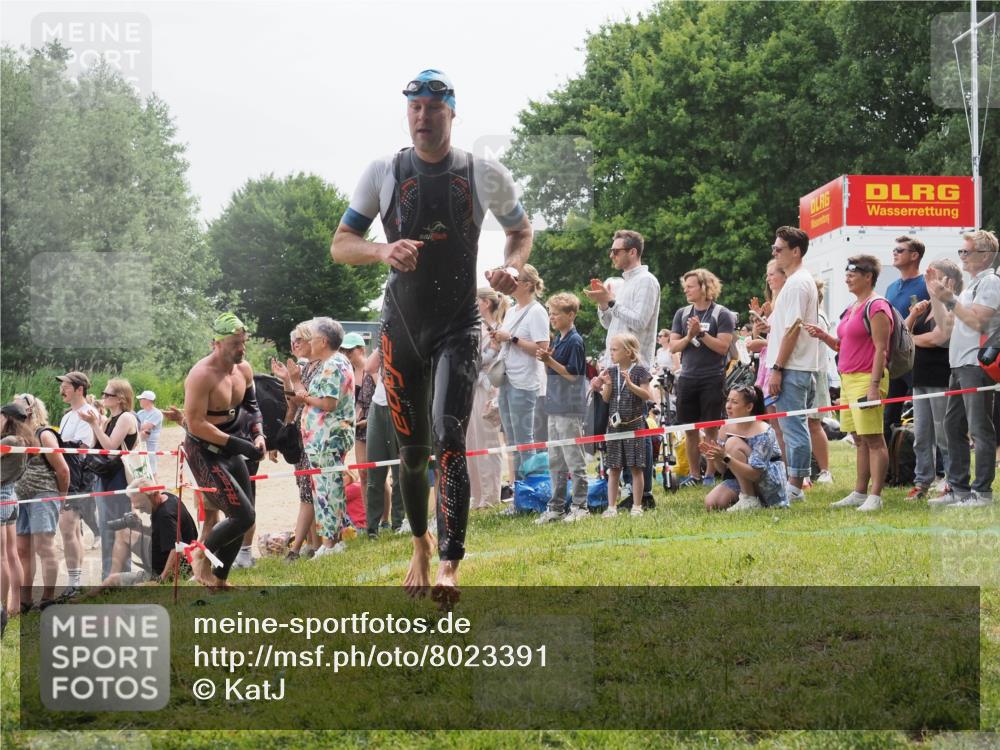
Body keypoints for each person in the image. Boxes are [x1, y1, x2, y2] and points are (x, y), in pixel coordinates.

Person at [331, 68, 533, 602]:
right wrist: (381, 250)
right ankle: (419, 541)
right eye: (415, 108)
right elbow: (341, 242)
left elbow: (521, 229)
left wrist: (510, 268)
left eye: (433, 108)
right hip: (401, 326)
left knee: (449, 437)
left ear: (452, 113)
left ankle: (450, 563)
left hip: (458, 325)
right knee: (413, 451)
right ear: (408, 114)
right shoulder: (383, 170)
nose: (423, 117)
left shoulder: (483, 172)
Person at [183, 313, 266, 589]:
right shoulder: (201, 375)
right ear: (216, 343)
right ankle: (200, 556)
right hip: (204, 450)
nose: (241, 349)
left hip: (230, 447)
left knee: (244, 516)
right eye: (234, 344)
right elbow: (195, 422)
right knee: (242, 515)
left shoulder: (244, 370)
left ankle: (219, 580)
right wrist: (238, 444)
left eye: (243, 343)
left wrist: (258, 436)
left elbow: (252, 408)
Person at [805, 255, 892, 512]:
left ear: (869, 276)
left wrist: (874, 385)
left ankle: (875, 496)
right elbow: (844, 346)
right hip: (848, 378)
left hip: (867, 378)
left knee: (874, 439)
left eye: (853, 273)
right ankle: (859, 491)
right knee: (859, 439)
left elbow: (880, 349)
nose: (847, 277)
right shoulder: (853, 307)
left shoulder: (877, 306)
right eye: (846, 273)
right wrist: (824, 336)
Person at [585, 230, 661, 510]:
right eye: (611, 251)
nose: (612, 255)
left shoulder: (647, 281)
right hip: (615, 362)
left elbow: (639, 322)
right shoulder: (621, 282)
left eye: (616, 250)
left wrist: (613, 302)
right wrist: (604, 303)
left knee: (636, 426)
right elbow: (611, 324)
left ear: (632, 252)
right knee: (615, 425)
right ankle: (628, 487)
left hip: (636, 364)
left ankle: (646, 491)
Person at [926, 229, 1000, 507]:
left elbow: (978, 322)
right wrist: (936, 294)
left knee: (979, 428)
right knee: (952, 425)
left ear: (986, 255)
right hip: (958, 364)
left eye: (966, 252)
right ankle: (959, 489)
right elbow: (946, 328)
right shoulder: (971, 286)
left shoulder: (990, 282)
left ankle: (982, 492)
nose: (962, 258)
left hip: (974, 364)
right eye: (961, 252)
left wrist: (950, 299)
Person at [288, 317, 354, 556]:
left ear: (323, 342)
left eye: (312, 338)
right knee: (323, 490)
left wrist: (305, 397)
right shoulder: (334, 362)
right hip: (320, 440)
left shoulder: (333, 364)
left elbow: (328, 403)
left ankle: (330, 544)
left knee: (329, 490)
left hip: (328, 438)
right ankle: (331, 540)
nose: (309, 343)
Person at [766, 227, 820, 503]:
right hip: (791, 365)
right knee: (789, 426)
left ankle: (796, 486)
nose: (774, 253)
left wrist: (777, 367)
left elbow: (793, 329)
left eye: (779, 249)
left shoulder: (798, 283)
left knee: (793, 426)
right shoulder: (794, 282)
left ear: (795, 251)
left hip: (793, 367)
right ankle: (794, 481)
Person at [669, 268, 735, 487]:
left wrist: (701, 334)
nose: (686, 290)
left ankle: (710, 475)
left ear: (705, 287)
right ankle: (695, 475)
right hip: (687, 378)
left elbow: (723, 347)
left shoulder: (722, 314)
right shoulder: (681, 314)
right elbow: (674, 346)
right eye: (685, 287)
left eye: (691, 286)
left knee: (710, 429)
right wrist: (689, 335)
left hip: (712, 377)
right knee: (690, 430)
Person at [490, 264, 549, 487]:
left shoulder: (537, 311)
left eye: (513, 279)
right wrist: (500, 337)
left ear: (526, 284)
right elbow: (508, 340)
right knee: (512, 441)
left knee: (525, 440)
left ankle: (533, 489)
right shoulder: (513, 310)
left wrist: (511, 338)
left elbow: (542, 350)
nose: (508, 283)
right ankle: (520, 493)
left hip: (524, 382)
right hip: (506, 380)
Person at [903, 259, 957, 500]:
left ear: (950, 281)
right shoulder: (925, 308)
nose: (930, 283)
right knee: (922, 435)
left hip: (941, 378)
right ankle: (922, 481)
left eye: (935, 277)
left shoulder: (953, 307)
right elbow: (903, 336)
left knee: (944, 434)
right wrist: (913, 316)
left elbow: (940, 338)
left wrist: (913, 339)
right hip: (920, 377)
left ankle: (950, 479)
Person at [535, 292, 589, 523]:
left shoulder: (575, 341)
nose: (552, 317)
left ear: (571, 314)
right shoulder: (558, 339)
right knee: (555, 460)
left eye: (556, 314)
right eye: (550, 313)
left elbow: (574, 376)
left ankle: (580, 506)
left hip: (569, 409)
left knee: (574, 459)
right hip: (555, 407)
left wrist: (549, 361)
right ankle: (556, 507)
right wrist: (549, 358)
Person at [79, 379, 139, 579]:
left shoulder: (126, 418)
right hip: (105, 478)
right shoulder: (110, 419)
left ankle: (120, 575)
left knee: (118, 527)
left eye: (107, 394)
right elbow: (94, 447)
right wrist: (95, 424)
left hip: (119, 479)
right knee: (106, 529)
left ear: (120, 398)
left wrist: (95, 424)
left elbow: (111, 447)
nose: (103, 397)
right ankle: (109, 576)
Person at [272, 321, 322, 559]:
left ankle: (299, 548)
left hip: (313, 434)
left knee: (308, 493)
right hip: (301, 434)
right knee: (305, 492)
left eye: (298, 341)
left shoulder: (314, 366)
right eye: (292, 343)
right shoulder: (303, 366)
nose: (294, 346)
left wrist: (291, 379)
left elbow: (304, 399)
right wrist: (284, 379)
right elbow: (292, 402)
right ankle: (313, 544)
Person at [13, 395, 69, 610]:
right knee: (22, 550)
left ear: (30, 409)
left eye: (18, 402)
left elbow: (63, 470)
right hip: (20, 497)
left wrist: (61, 498)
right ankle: (25, 599)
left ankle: (48, 597)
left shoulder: (44, 434)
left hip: (43, 495)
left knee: (45, 547)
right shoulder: (15, 434)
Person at [91, 478, 198, 589]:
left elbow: (177, 549)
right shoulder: (168, 497)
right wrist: (139, 527)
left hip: (165, 569)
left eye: (142, 506)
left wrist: (161, 579)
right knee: (123, 533)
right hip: (169, 555)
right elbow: (165, 533)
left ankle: (109, 584)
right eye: (137, 507)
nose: (141, 511)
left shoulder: (165, 516)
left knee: (111, 580)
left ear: (154, 495)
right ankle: (112, 580)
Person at [701, 386, 788, 511]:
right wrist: (716, 457)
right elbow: (722, 470)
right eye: (728, 400)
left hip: (767, 482)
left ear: (749, 407)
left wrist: (725, 457)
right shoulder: (725, 428)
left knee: (732, 443)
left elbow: (755, 474)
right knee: (712, 503)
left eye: (734, 402)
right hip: (740, 478)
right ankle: (747, 497)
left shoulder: (763, 431)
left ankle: (750, 499)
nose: (728, 406)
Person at [599, 333, 654, 517]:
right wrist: (606, 385)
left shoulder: (640, 371)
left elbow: (647, 396)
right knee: (614, 467)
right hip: (615, 427)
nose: (611, 353)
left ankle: (637, 506)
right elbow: (607, 399)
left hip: (634, 426)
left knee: (636, 466)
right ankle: (611, 507)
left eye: (615, 349)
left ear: (628, 352)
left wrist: (630, 384)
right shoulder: (611, 371)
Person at [55, 371, 98, 597]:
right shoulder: (67, 415)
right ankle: (76, 580)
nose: (62, 390)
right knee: (73, 530)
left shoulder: (88, 413)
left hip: (79, 476)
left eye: (66, 386)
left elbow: (82, 448)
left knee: (68, 529)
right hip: (69, 476)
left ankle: (74, 582)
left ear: (79, 389)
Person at [884, 236, 929, 440]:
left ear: (914, 255)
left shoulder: (927, 284)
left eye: (899, 250)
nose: (894, 252)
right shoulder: (891, 287)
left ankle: (934, 468)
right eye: (893, 249)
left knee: (922, 416)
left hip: (919, 359)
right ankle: (892, 468)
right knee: (888, 417)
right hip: (894, 360)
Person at [468, 288, 507, 511]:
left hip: (488, 388)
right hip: (472, 387)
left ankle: (491, 496)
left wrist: (473, 361)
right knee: (471, 442)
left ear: (484, 303)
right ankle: (477, 496)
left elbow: (486, 359)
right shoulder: (476, 328)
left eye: (476, 301)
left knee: (487, 442)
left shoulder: (498, 329)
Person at [1, 402, 29, 623]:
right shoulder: (21, 440)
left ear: (7, 418)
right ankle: (14, 604)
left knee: (3, 557)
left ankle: (2, 608)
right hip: (10, 496)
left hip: (2, 496)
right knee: (11, 554)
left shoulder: (9, 441)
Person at [806, 280, 833, 486]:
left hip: (816, 374)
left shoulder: (818, 316)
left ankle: (825, 470)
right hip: (808, 373)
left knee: (814, 423)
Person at [342, 332, 373, 500]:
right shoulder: (348, 372)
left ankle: (385, 519)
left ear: (361, 349)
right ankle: (369, 520)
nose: (346, 354)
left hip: (375, 424)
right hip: (357, 426)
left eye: (350, 350)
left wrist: (370, 420)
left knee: (377, 474)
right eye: (344, 351)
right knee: (363, 472)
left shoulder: (373, 367)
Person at [136, 390, 164, 477]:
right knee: (141, 470)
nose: (140, 400)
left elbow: (146, 426)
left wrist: (135, 426)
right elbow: (138, 427)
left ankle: (155, 489)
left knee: (152, 471)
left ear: (147, 400)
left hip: (151, 446)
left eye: (141, 399)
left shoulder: (157, 413)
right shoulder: (140, 412)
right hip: (140, 444)